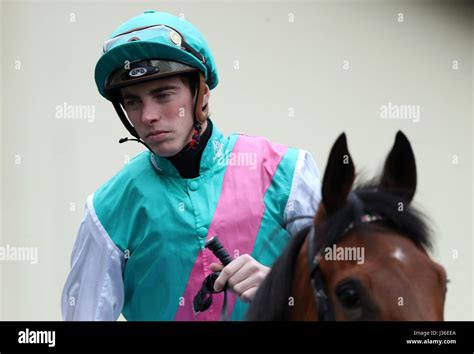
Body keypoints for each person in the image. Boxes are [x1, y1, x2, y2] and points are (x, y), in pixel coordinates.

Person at [61, 10, 321, 321]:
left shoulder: (288, 172)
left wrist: (282, 288)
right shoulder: (105, 209)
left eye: (163, 95)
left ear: (203, 96)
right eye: (133, 102)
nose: (147, 116)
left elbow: (344, 293)